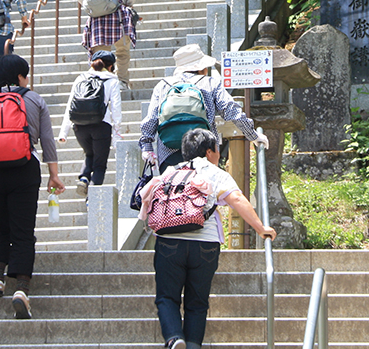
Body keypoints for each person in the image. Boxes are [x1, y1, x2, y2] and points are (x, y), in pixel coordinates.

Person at [139, 128, 276, 349]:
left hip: (168, 243)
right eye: (217, 150)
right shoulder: (214, 172)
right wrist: (261, 228)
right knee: (197, 302)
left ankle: (174, 338)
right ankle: (193, 345)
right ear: (209, 151)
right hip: (205, 244)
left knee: (167, 297)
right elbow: (237, 199)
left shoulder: (169, 172)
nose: (219, 155)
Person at [0, 54, 65, 319]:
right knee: (23, 229)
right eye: (26, 74)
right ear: (21, 76)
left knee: (1, 226)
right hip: (24, 169)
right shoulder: (33, 99)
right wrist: (54, 175)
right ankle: (21, 288)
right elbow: (47, 140)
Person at [140, 43, 268, 172]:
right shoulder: (210, 83)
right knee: (203, 189)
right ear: (202, 68)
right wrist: (253, 135)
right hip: (203, 150)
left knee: (172, 189)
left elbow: (151, 119)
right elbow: (230, 110)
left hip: (169, 152)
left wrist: (147, 147)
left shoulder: (163, 85)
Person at [57, 50, 124, 196]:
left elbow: (70, 105)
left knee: (89, 154)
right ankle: (92, 198)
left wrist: (64, 133)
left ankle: (84, 177)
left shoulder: (80, 78)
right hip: (101, 125)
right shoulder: (112, 80)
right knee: (100, 164)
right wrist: (117, 133)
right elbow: (116, 109)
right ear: (111, 66)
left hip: (79, 126)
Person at [78, 0, 138, 84]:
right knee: (122, 52)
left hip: (98, 22)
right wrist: (128, 4)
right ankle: (122, 81)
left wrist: (95, 9)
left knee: (101, 54)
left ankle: (102, 81)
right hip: (119, 20)